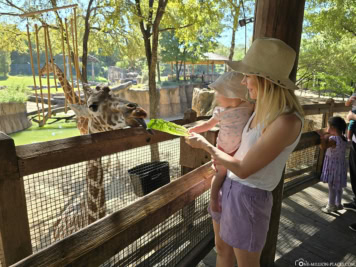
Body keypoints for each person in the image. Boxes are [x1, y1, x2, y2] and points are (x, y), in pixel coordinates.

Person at [185, 38, 304, 267]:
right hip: (230, 187)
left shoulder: (286, 121)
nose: (243, 80)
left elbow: (245, 168)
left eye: (248, 75)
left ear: (265, 79)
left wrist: (206, 146)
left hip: (248, 197)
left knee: (247, 263)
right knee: (222, 251)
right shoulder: (260, 110)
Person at [189, 72, 254, 212]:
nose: (216, 97)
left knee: (232, 175)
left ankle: (227, 198)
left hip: (239, 149)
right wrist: (194, 129)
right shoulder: (220, 111)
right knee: (220, 174)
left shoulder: (249, 106)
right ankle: (213, 199)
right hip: (223, 149)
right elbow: (208, 125)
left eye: (219, 93)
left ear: (233, 95)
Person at [317, 116, 348, 213]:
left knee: (332, 187)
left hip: (333, 167)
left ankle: (330, 206)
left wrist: (322, 137)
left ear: (333, 128)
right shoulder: (343, 138)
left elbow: (323, 147)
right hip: (340, 166)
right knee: (338, 186)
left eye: (328, 127)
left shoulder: (334, 139)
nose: (326, 129)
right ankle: (338, 204)